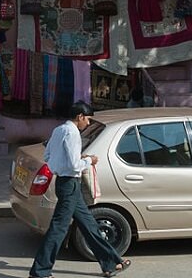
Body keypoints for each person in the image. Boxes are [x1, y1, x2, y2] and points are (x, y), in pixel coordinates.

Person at [29, 102, 130, 278]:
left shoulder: (59, 129)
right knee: (58, 229)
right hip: (70, 183)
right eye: (88, 119)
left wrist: (77, 158)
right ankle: (40, 271)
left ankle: (111, 263)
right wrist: (89, 160)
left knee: (89, 224)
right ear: (80, 117)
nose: (88, 124)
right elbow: (75, 166)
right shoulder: (73, 133)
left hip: (65, 183)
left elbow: (49, 156)